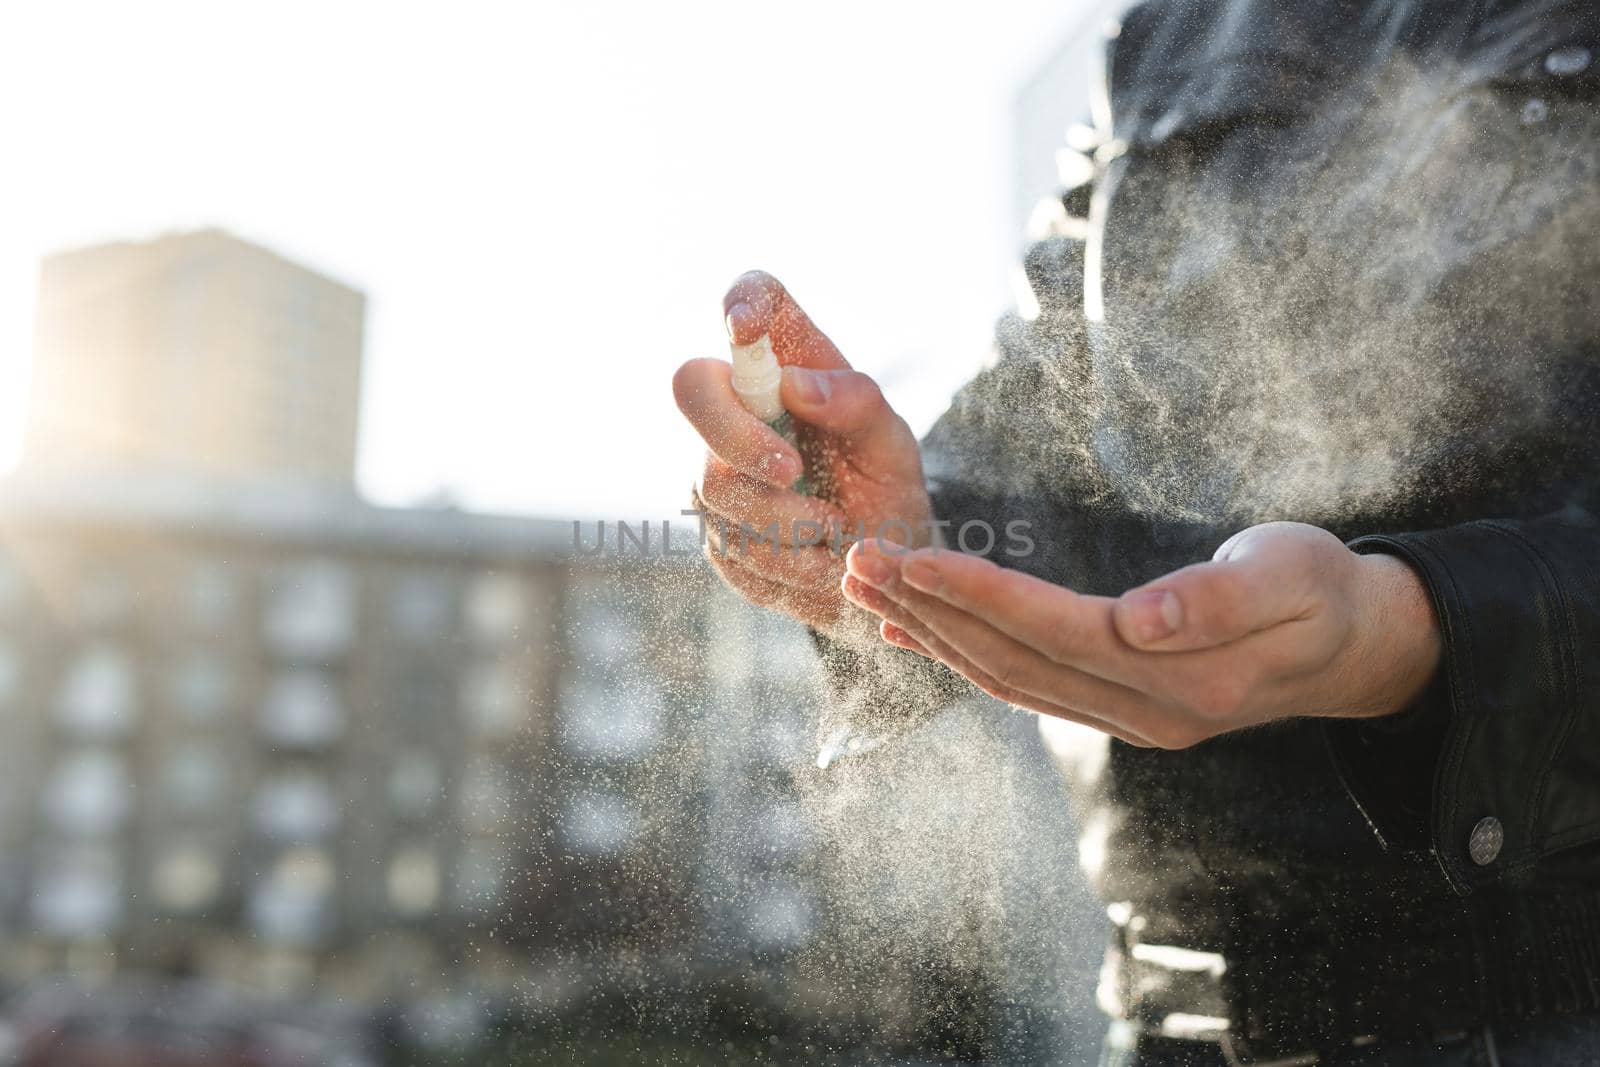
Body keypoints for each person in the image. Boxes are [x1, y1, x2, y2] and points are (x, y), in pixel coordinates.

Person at [672, 1, 1600, 1063]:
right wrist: (885, 538)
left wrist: (1407, 629)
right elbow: (1042, 437)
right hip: (1166, 1018)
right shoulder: (1176, 29)